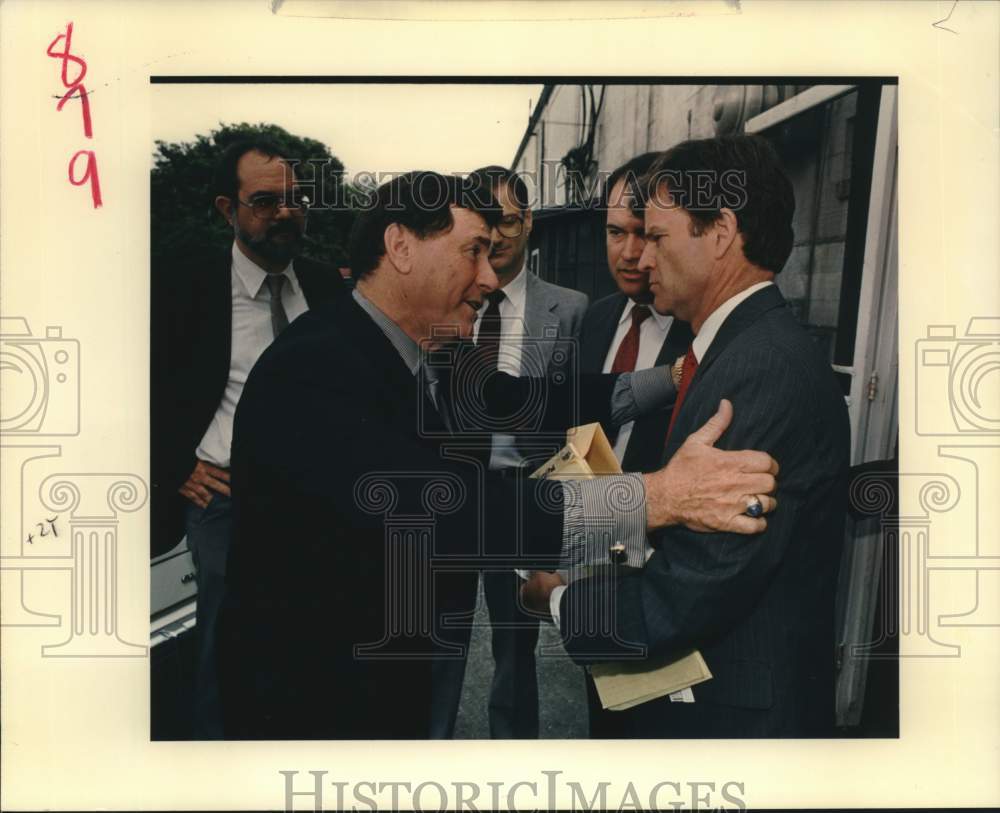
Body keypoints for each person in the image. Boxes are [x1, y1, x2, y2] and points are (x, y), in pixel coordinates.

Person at [216, 170, 780, 740]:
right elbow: (448, 510)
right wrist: (657, 496)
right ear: (400, 246)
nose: (489, 277)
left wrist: (668, 377)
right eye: (474, 252)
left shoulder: (429, 350)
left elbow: (527, 401)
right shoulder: (314, 368)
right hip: (318, 701)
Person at [524, 134, 851, 737]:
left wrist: (556, 600)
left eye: (656, 236)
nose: (641, 260)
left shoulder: (760, 368)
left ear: (720, 231)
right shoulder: (737, 350)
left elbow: (694, 586)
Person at [149, 139, 343, 738]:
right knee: (223, 659)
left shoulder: (325, 289)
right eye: (264, 202)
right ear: (226, 209)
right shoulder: (185, 286)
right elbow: (122, 379)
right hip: (225, 505)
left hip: (314, 506)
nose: (285, 213)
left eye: (295, 199)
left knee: (312, 657)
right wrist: (170, 465)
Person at [435, 165, 587, 740]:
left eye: (507, 220)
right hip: (451, 491)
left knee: (516, 643)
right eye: (485, 223)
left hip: (523, 495)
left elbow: (579, 418)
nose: (496, 236)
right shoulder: (443, 298)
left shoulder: (569, 309)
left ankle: (513, 756)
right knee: (435, 636)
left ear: (528, 222)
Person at [580, 152, 693, 471]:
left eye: (643, 234)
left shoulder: (699, 331)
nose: (629, 254)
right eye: (615, 232)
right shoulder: (594, 318)